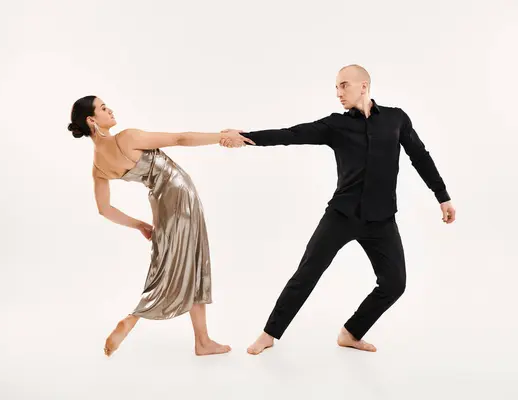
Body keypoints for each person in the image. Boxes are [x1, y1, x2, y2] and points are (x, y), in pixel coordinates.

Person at [220, 64, 456, 355]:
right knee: (307, 273)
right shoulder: (336, 125)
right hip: (341, 216)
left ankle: (351, 332)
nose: (338, 93)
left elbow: (420, 156)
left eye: (343, 85)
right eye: (336, 87)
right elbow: (292, 134)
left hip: (381, 220)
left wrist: (442, 196)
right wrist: (247, 138)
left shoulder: (396, 119)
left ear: (364, 86)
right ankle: (269, 334)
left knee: (394, 284)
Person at [67, 95, 253, 357]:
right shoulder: (126, 138)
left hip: (160, 203)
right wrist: (222, 135)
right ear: (91, 120)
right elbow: (180, 138)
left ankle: (202, 341)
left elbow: (104, 209)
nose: (110, 110)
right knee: (187, 262)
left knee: (179, 262)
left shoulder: (99, 164)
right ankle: (136, 316)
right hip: (181, 196)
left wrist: (140, 225)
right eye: (103, 108)